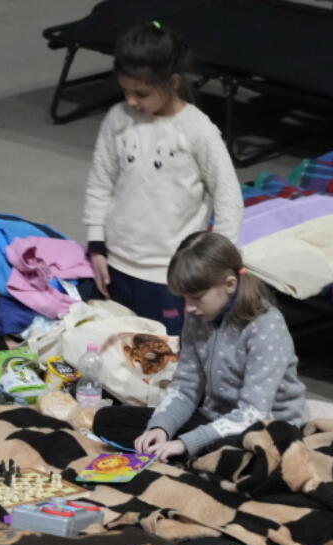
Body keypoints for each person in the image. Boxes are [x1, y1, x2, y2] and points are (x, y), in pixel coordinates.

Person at [83, 20, 242, 337]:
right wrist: (96, 246)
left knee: (166, 360)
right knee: (113, 352)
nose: (131, 101)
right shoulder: (118, 119)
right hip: (115, 266)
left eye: (141, 93)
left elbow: (228, 199)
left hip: (169, 277)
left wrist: (212, 268)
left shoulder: (197, 131)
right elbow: (100, 185)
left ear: (172, 82)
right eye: (125, 91)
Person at [92, 231, 307, 461]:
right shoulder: (197, 317)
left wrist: (186, 443)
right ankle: (185, 456)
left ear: (230, 285)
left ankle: (191, 456)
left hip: (265, 428)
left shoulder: (266, 325)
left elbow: (253, 413)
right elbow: (185, 387)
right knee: (107, 420)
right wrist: (160, 428)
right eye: (184, 298)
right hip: (213, 419)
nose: (188, 308)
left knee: (239, 454)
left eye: (197, 297)